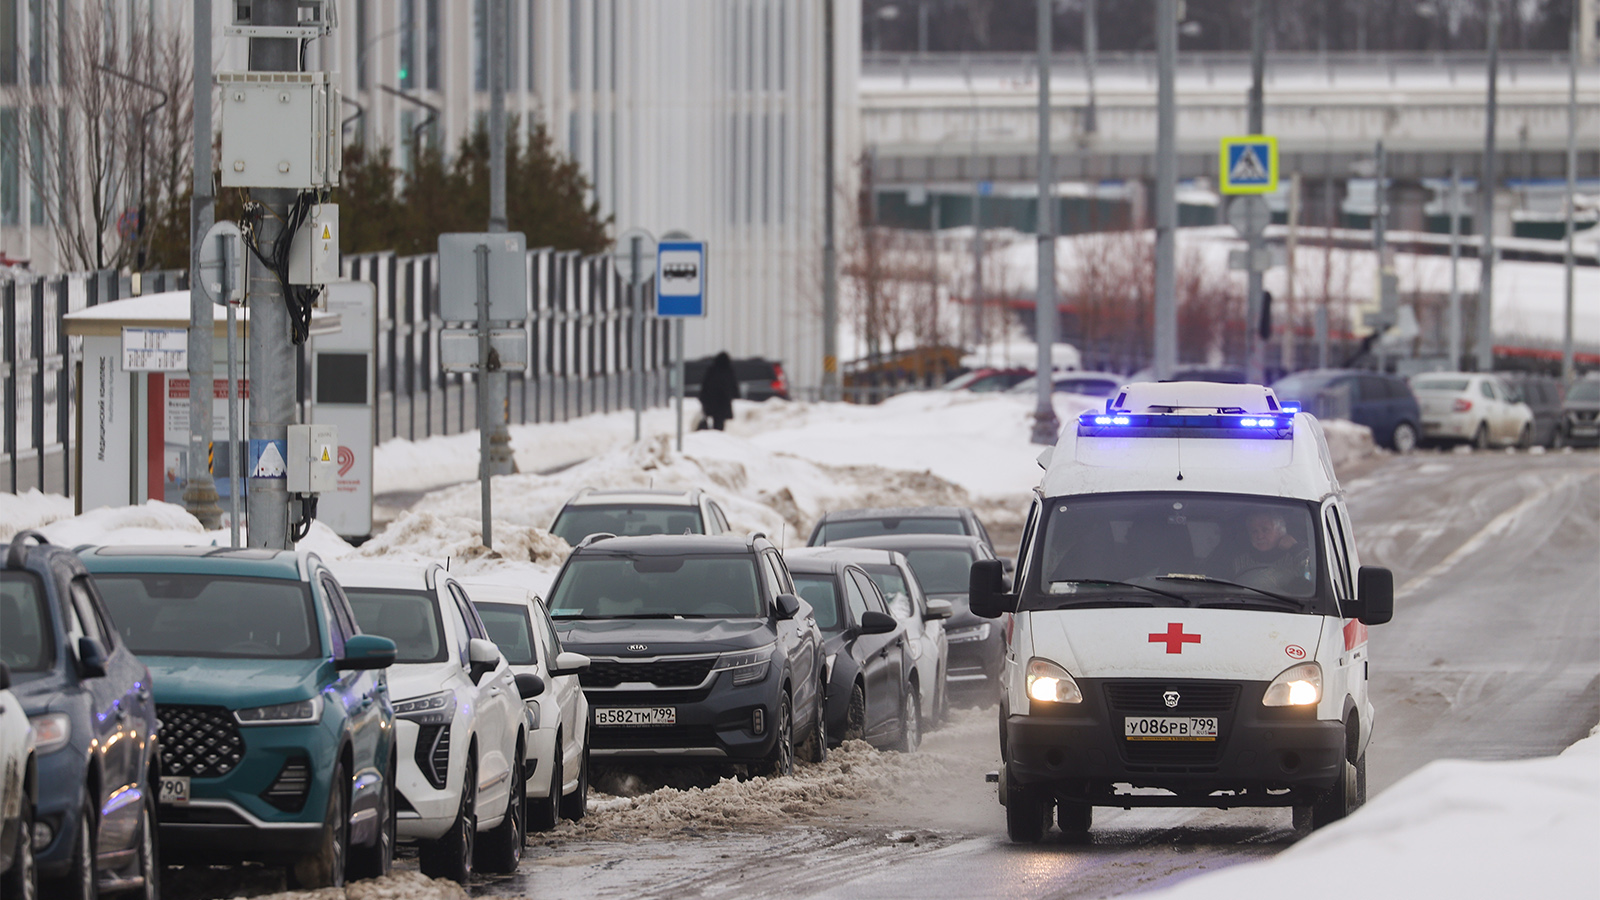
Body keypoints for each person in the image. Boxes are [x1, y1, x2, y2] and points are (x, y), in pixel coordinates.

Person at [1232, 510, 1313, 592]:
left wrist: (1296, 548)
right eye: (1254, 531)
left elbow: (1314, 576)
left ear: (1280, 532)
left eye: (1265, 530)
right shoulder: (1238, 562)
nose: (1259, 536)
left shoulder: (1296, 558)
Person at [697, 351, 740, 431]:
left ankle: (714, 433)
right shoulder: (728, 371)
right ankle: (718, 434)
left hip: (711, 401)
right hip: (723, 402)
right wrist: (735, 395)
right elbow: (733, 385)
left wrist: (703, 398)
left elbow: (705, 386)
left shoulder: (711, 370)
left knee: (713, 418)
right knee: (720, 421)